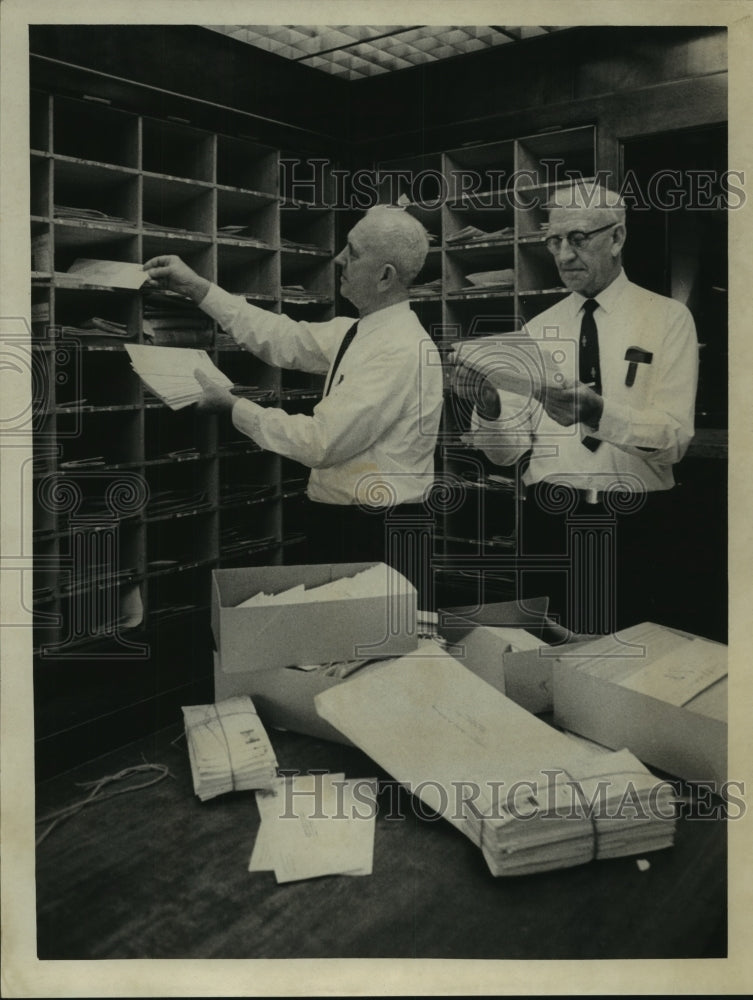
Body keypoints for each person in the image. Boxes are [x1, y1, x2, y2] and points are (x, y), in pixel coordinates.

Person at [143, 206, 444, 597]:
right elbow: (281, 338)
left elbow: (320, 442)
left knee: (374, 652)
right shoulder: (359, 331)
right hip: (345, 522)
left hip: (375, 531)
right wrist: (200, 289)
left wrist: (233, 407)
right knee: (333, 650)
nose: (338, 259)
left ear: (385, 276)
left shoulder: (399, 349)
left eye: (352, 253)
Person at [456, 183, 699, 633]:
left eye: (578, 239)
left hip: (636, 523)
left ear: (617, 238)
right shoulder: (538, 328)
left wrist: (597, 415)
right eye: (554, 241)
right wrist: (489, 409)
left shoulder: (668, 319)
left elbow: (674, 439)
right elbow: (506, 455)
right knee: (547, 657)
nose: (564, 255)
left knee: (632, 665)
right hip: (548, 521)